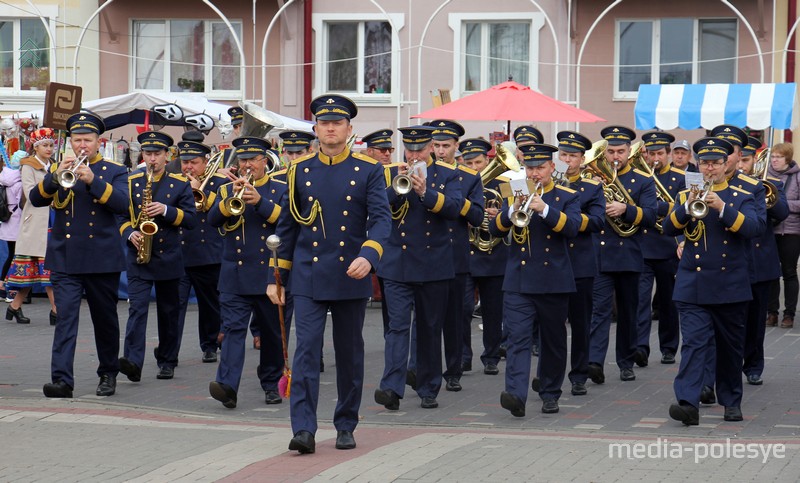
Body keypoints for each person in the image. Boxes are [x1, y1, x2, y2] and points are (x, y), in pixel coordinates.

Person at [267, 94, 391, 454]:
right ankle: (303, 429)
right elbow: (286, 229)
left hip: (351, 272)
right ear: (316, 129)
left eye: (337, 123)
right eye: (324, 123)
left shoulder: (369, 170)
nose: (331, 128)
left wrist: (370, 256)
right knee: (305, 352)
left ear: (349, 129)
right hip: (308, 275)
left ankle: (345, 423)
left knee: (350, 354)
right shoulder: (299, 170)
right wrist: (275, 279)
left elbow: (381, 220)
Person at [31, 112, 130, 398]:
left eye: (87, 140)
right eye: (77, 140)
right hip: (66, 258)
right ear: (70, 141)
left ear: (99, 142)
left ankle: (108, 373)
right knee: (65, 319)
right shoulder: (60, 167)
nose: (82, 146)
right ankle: (62, 380)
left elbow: (123, 204)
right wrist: (54, 176)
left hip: (101, 258)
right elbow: (37, 199)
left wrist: (93, 181)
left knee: (105, 319)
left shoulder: (114, 171)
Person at [664, 137, 760, 425]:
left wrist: (723, 207)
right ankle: (687, 403)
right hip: (692, 283)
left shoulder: (745, 192)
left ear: (725, 164)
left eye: (715, 163)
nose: (710, 168)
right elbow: (668, 227)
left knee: (730, 347)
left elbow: (755, 228)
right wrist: (687, 206)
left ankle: (731, 401)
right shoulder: (686, 194)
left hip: (730, 284)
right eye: (704, 163)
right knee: (693, 344)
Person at [375, 125, 461, 412]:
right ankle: (391, 388)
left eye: (419, 149)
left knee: (428, 328)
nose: (414, 155)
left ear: (431, 149)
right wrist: (398, 186)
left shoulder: (448, 175)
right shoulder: (389, 173)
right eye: (409, 149)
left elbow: (455, 209)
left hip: (433, 265)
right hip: (397, 264)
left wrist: (427, 193)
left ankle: (427, 387)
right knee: (397, 328)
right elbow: (375, 208)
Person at [490, 143, 581, 416]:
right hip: (518, 279)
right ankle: (515, 394)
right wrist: (511, 210)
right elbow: (495, 230)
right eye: (530, 168)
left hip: (554, 280)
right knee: (517, 338)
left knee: (552, 341)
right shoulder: (513, 192)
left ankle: (550, 392)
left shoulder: (566, 195)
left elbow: (574, 228)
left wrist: (544, 209)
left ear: (552, 167)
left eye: (540, 168)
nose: (535, 173)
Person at [208, 136, 289, 408]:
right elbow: (212, 220)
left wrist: (259, 202)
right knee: (232, 330)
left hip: (267, 273)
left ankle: (270, 383)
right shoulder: (226, 189)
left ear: (264, 161)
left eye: (252, 160)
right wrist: (229, 199)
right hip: (234, 273)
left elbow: (287, 224)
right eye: (242, 160)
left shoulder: (279, 189)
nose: (246, 165)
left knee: (271, 334)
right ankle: (227, 386)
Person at [117, 132, 196, 382]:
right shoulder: (131, 181)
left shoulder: (180, 182)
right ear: (143, 155)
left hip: (169, 256)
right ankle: (132, 361)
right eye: (148, 154)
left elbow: (191, 219)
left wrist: (166, 210)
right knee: (137, 310)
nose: (152, 159)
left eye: (157, 154)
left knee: (168, 311)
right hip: (139, 255)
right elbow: (120, 217)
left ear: (166, 155)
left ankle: (167, 359)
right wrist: (130, 233)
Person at [588, 126, 657, 384]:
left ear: (630, 151)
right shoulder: (594, 178)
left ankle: (625, 362)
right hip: (601, 256)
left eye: (620, 151)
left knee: (629, 312)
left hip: (629, 254)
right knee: (599, 311)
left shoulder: (643, 180)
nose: (615, 156)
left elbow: (650, 216)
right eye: (611, 152)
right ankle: (594, 361)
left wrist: (626, 208)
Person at [429, 120, 483, 392]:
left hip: (454, 255)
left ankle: (454, 369)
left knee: (456, 316)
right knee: (427, 318)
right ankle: (421, 369)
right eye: (436, 145)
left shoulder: (469, 177)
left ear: (456, 147)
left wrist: (454, 200)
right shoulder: (422, 172)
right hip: (425, 254)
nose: (440, 151)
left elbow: (477, 215)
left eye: (446, 146)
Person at [556, 131, 605, 396]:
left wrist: (572, 222)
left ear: (582, 159)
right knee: (552, 324)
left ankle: (579, 374)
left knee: (580, 321)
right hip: (551, 263)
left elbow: (599, 221)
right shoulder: (547, 186)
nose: (567, 160)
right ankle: (550, 374)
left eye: (572, 156)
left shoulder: (591, 187)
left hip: (580, 264)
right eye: (563, 155)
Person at [737, 136, 788, 386]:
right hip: (733, 262)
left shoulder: (771, 183)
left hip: (760, 261)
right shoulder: (728, 185)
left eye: (746, 161)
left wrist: (767, 188)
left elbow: (782, 214)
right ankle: (730, 363)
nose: (741, 166)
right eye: (740, 160)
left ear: (754, 162)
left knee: (757, 320)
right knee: (733, 319)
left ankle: (754, 365)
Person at [634, 131, 684, 367]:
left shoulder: (680, 177)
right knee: (641, 301)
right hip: (643, 246)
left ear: (668, 154)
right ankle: (640, 347)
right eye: (651, 153)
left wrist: (658, 205)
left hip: (668, 246)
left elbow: (685, 207)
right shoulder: (639, 177)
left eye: (660, 153)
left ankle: (669, 347)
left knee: (668, 301)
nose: (655, 158)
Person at [460, 138, 508, 376]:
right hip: (467, 255)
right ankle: (462, 356)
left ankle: (491, 356)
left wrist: (500, 214)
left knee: (493, 310)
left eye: (478, 162)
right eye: (469, 162)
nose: (474, 167)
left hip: (494, 255)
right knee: (463, 308)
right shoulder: (458, 181)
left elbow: (514, 210)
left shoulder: (504, 182)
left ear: (487, 160)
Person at [176, 137, 226, 363]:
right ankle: (169, 351)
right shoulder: (174, 181)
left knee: (209, 305)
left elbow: (222, 210)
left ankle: (210, 345)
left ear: (205, 162)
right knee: (174, 305)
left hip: (208, 253)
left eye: (193, 162)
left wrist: (199, 191)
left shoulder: (218, 182)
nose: (188, 167)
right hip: (179, 252)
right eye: (184, 162)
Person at [5, 128, 58, 325]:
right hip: (36, 221)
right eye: (45, 145)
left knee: (35, 269)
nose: (49, 148)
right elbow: (30, 192)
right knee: (46, 268)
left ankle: (14, 307)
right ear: (35, 147)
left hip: (51, 220)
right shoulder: (28, 166)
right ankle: (56, 310)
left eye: (51, 145)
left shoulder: (54, 165)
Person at [768, 142, 800, 329]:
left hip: (791, 231)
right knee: (771, 272)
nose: (774, 160)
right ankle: (771, 312)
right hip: (770, 230)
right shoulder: (766, 175)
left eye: (778, 157)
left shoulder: (797, 177)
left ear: (787, 159)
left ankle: (789, 314)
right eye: (773, 157)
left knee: (788, 272)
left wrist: (784, 205)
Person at [0, 149, 24, 306]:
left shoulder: (4, 179)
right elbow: (22, 204)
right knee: (17, 257)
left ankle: (2, 286)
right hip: (17, 222)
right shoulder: (19, 182)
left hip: (7, 222)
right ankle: (10, 289)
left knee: (11, 255)